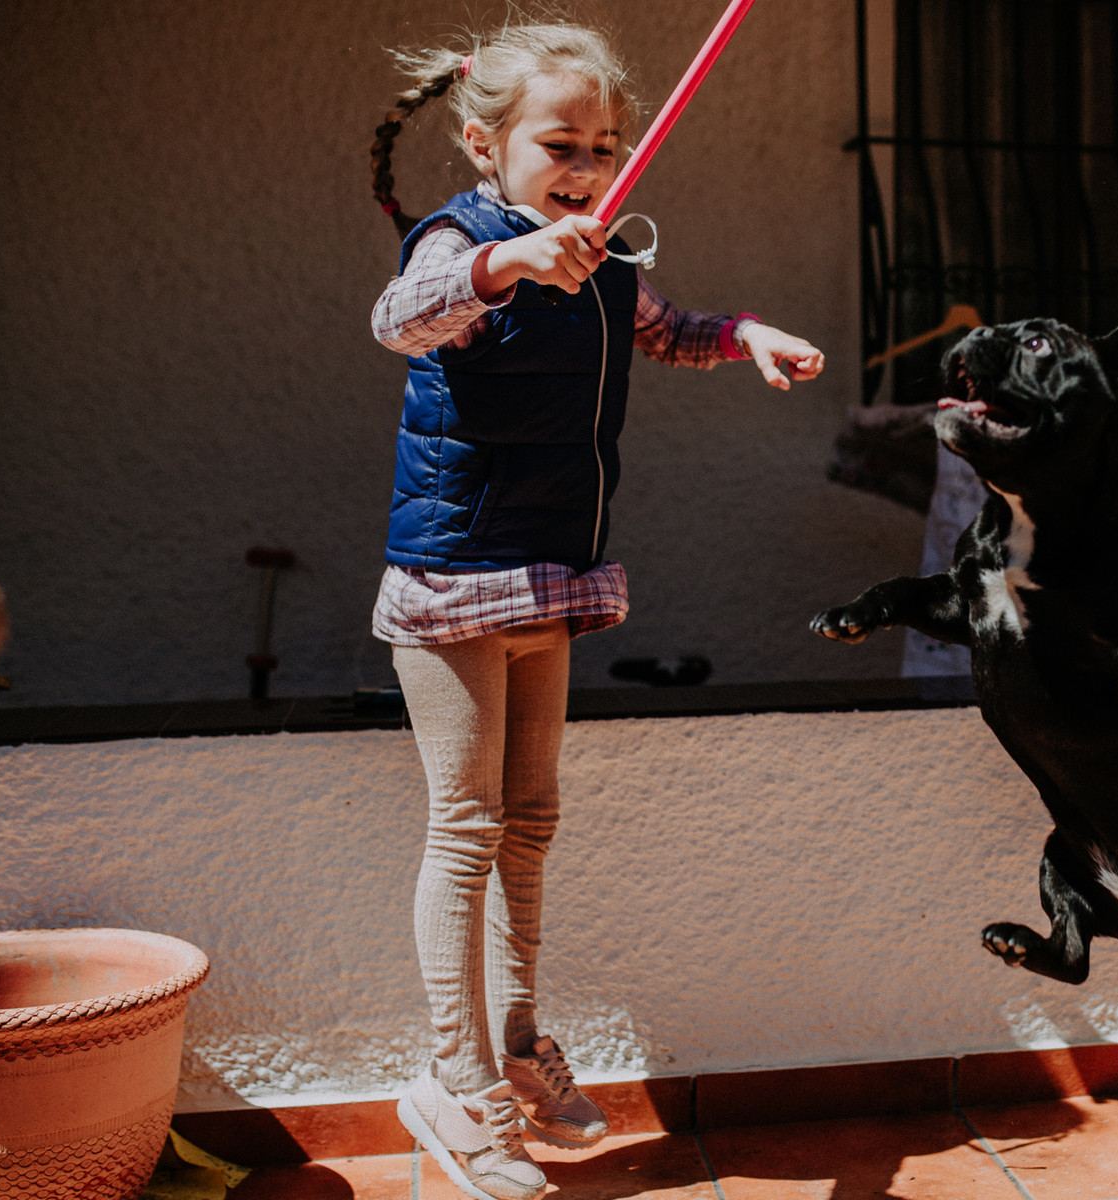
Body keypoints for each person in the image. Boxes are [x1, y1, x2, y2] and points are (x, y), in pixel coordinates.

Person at [367, 22, 824, 1200]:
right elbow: (399, 318)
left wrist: (745, 336)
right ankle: (452, 1081)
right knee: (466, 827)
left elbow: (667, 334)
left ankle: (518, 1048)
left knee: (532, 818)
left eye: (604, 148)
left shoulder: (606, 257)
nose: (585, 168)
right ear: (486, 142)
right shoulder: (462, 241)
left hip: (552, 571)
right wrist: (510, 264)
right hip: (457, 574)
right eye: (559, 144)